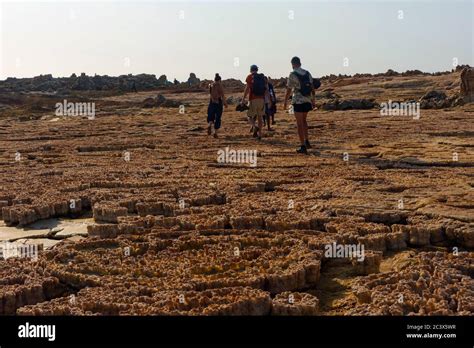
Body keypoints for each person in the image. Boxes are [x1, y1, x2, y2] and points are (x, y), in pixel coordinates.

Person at [283, 57, 316, 154]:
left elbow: (289, 89)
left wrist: (285, 101)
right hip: (307, 99)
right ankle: (307, 141)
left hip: (298, 100)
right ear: (300, 63)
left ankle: (303, 146)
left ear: (292, 64)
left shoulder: (292, 74)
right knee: (304, 121)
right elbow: (312, 87)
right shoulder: (307, 73)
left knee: (299, 123)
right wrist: (313, 101)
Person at [241, 65, 269, 140]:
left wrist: (243, 99)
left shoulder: (250, 77)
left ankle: (254, 126)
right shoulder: (262, 77)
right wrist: (268, 100)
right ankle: (259, 134)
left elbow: (247, 89)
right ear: (257, 70)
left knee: (249, 116)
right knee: (260, 117)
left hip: (253, 99)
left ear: (250, 70)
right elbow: (266, 89)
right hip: (261, 99)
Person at [207, 73, 227, 138]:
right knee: (218, 118)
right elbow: (222, 95)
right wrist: (225, 103)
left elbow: (210, 93)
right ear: (220, 80)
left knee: (211, 116)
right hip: (218, 102)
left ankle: (209, 125)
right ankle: (215, 133)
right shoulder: (220, 85)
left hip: (212, 102)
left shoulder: (211, 85)